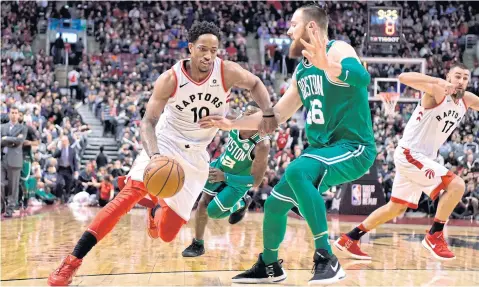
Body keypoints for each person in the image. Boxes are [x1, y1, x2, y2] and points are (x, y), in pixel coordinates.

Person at [47, 21, 277, 286]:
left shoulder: (227, 72)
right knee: (127, 197)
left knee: (167, 235)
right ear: (190, 48)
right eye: (202, 48)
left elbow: (257, 83)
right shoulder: (171, 78)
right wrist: (154, 154)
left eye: (214, 50)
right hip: (166, 143)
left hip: (196, 156)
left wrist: (268, 112)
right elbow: (148, 121)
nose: (208, 55)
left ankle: (155, 209)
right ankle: (71, 262)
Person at [200, 5, 375, 285]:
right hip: (321, 151)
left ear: (311, 28)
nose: (288, 29)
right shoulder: (301, 72)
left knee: (296, 170)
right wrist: (231, 124)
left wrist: (328, 67)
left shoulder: (338, 50)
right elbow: (277, 115)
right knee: (275, 205)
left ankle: (326, 257)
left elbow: (362, 78)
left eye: (294, 24)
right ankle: (269, 264)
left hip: (353, 147)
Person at [336, 63, 479, 261]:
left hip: (420, 157)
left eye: (465, 77)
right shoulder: (437, 90)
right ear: (448, 76)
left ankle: (350, 238)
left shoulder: (467, 99)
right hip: (412, 153)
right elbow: (403, 77)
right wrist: (437, 81)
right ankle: (434, 235)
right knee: (457, 185)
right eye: (457, 76)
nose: (461, 81)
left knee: (396, 208)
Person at [182, 102, 270, 257]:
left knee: (213, 212)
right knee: (203, 203)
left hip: (237, 181)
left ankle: (242, 202)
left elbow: (256, 181)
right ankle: (198, 244)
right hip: (221, 167)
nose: (244, 119)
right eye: (244, 115)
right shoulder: (234, 119)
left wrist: (225, 177)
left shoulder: (261, 144)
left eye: (249, 118)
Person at [1, 107, 27, 217]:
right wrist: (12, 140)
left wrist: (5, 138)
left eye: (16, 113)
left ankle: (10, 209)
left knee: (13, 186)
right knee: (0, 184)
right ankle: (2, 206)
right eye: (12, 112)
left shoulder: (22, 128)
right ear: (9, 114)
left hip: (15, 160)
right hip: (2, 158)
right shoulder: (2, 127)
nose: (14, 115)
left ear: (18, 115)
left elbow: (20, 141)